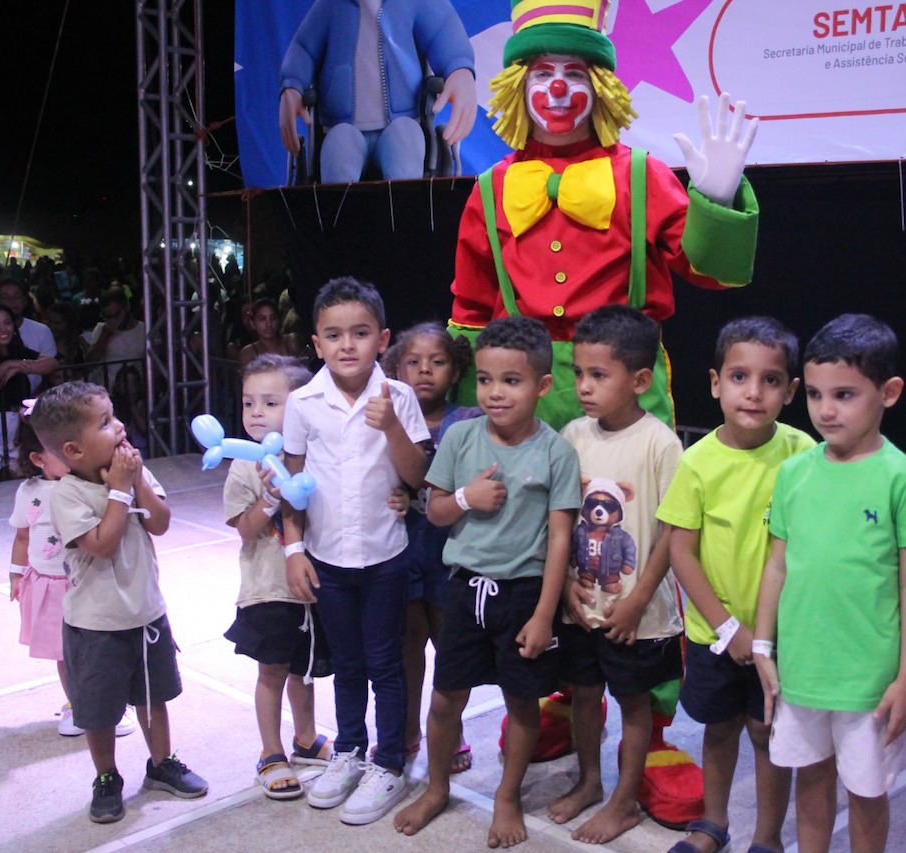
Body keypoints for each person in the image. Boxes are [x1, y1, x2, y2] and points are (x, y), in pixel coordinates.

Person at [450, 6, 759, 810]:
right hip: (524, 394)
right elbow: (471, 311)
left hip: (626, 383)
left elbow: (712, 275)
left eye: (575, 72)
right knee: (538, 547)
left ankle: (647, 729)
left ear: (600, 86)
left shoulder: (638, 173)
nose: (558, 88)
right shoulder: (488, 189)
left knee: (631, 543)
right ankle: (558, 695)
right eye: (542, 72)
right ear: (520, 86)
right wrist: (464, 424)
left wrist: (717, 199)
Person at [393, 315, 581, 848]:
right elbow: (433, 511)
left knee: (522, 703)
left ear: (542, 386)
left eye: (511, 381)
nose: (495, 393)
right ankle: (434, 788)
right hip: (463, 590)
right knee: (445, 696)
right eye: (485, 380)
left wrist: (545, 613)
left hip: (522, 596)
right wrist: (466, 499)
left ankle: (506, 795)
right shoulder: (459, 435)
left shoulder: (556, 453)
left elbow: (561, 541)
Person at [753, 315, 906, 853]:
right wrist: (764, 646)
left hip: (869, 679)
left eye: (844, 394)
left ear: (889, 393)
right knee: (810, 780)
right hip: (802, 669)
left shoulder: (905, 479)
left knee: (866, 793)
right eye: (813, 393)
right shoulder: (794, 474)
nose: (826, 409)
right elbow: (777, 566)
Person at [656, 316, 814, 853]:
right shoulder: (697, 462)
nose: (754, 392)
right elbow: (681, 551)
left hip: (782, 637)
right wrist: (729, 629)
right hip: (715, 636)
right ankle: (713, 824)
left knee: (769, 734)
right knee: (720, 729)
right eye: (740, 376)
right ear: (715, 383)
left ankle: (767, 838)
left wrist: (766, 633)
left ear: (791, 391)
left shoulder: (803, 454)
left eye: (771, 380)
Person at [281, 277, 431, 825]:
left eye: (360, 333)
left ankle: (388, 762)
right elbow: (291, 483)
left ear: (382, 339)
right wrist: (294, 549)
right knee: (345, 665)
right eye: (334, 335)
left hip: (386, 556)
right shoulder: (303, 403)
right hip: (326, 558)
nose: (347, 345)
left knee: (385, 665)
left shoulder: (401, 397)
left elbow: (417, 475)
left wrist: (390, 423)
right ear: (316, 344)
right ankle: (348, 752)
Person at [30, 381, 208, 824]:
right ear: (73, 450)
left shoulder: (132, 470)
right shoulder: (67, 494)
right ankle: (107, 776)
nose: (120, 426)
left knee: (154, 697)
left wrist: (135, 482)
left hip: (146, 612)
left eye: (114, 415)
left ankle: (161, 763)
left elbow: (161, 523)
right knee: (100, 709)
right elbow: (102, 544)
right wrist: (120, 490)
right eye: (105, 422)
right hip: (95, 625)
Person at [544, 306, 685, 844]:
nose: (583, 386)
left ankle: (625, 801)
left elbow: (674, 531)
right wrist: (564, 593)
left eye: (598, 375)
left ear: (640, 380)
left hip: (638, 614)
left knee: (632, 703)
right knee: (583, 692)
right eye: (578, 373)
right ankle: (589, 782)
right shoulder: (573, 434)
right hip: (581, 605)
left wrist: (638, 598)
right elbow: (559, 519)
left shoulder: (660, 443)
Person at [222, 353, 335, 800]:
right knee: (272, 671)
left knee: (303, 671)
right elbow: (245, 531)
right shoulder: (244, 464)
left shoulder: (313, 455)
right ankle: (271, 753)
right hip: (268, 588)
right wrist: (270, 499)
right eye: (249, 403)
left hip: (311, 584)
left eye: (270, 403)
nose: (255, 413)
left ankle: (305, 738)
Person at [380, 322, 479, 772]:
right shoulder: (388, 419)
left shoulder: (469, 420)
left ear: (455, 370)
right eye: (413, 363)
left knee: (450, 644)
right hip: (401, 546)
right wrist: (395, 492)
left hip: (450, 548)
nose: (424, 371)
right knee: (407, 645)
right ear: (395, 369)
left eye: (437, 362)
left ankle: (451, 728)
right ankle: (406, 729)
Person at [7, 414, 136, 739]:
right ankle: (76, 703)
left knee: (99, 646)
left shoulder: (89, 484)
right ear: (37, 458)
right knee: (63, 651)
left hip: (86, 579)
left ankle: (113, 705)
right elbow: (22, 536)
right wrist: (16, 574)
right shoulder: (29, 492)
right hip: (48, 585)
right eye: (61, 451)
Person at [278, 0, 476, 182]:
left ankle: (404, 217)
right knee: (338, 153)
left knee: (405, 147)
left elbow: (443, 28)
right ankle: (339, 219)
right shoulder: (329, 6)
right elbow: (303, 49)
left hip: (402, 122)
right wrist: (292, 85)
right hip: (342, 127)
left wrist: (460, 69)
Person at [0, 305, 59, 482]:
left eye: (7, 323)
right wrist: (8, 365)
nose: (3, 329)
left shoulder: (17, 349)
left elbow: (52, 363)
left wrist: (21, 366)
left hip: (14, 421)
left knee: (21, 476)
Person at [0, 277, 58, 394]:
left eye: (16, 297)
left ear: (25, 301)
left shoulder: (41, 330)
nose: (11, 301)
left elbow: (51, 369)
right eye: (5, 297)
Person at [83, 289, 146, 390]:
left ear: (126, 306)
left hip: (136, 392)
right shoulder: (101, 328)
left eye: (116, 315)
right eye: (107, 317)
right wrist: (104, 336)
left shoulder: (144, 330)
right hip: (108, 392)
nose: (113, 320)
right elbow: (89, 363)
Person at [237, 297, 307, 371]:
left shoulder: (291, 341)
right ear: (253, 323)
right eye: (262, 319)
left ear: (279, 320)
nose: (269, 324)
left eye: (273, 318)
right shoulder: (248, 353)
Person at [110, 364, 150, 454]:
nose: (130, 388)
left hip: (140, 449)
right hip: (120, 450)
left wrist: (132, 405)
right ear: (117, 386)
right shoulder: (114, 405)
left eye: (134, 384)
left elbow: (145, 428)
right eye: (126, 383)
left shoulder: (142, 403)